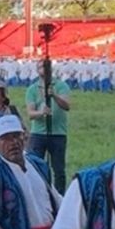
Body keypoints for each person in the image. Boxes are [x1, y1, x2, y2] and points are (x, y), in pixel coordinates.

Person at [24, 60, 72, 192]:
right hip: (38, 133)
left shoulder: (61, 86)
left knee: (59, 170)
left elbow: (67, 106)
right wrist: (41, 112)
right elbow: (30, 113)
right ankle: (39, 192)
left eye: (46, 67)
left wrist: (54, 95)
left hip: (57, 133)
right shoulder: (32, 89)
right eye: (40, 66)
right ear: (36, 69)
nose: (43, 69)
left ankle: (60, 196)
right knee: (35, 166)